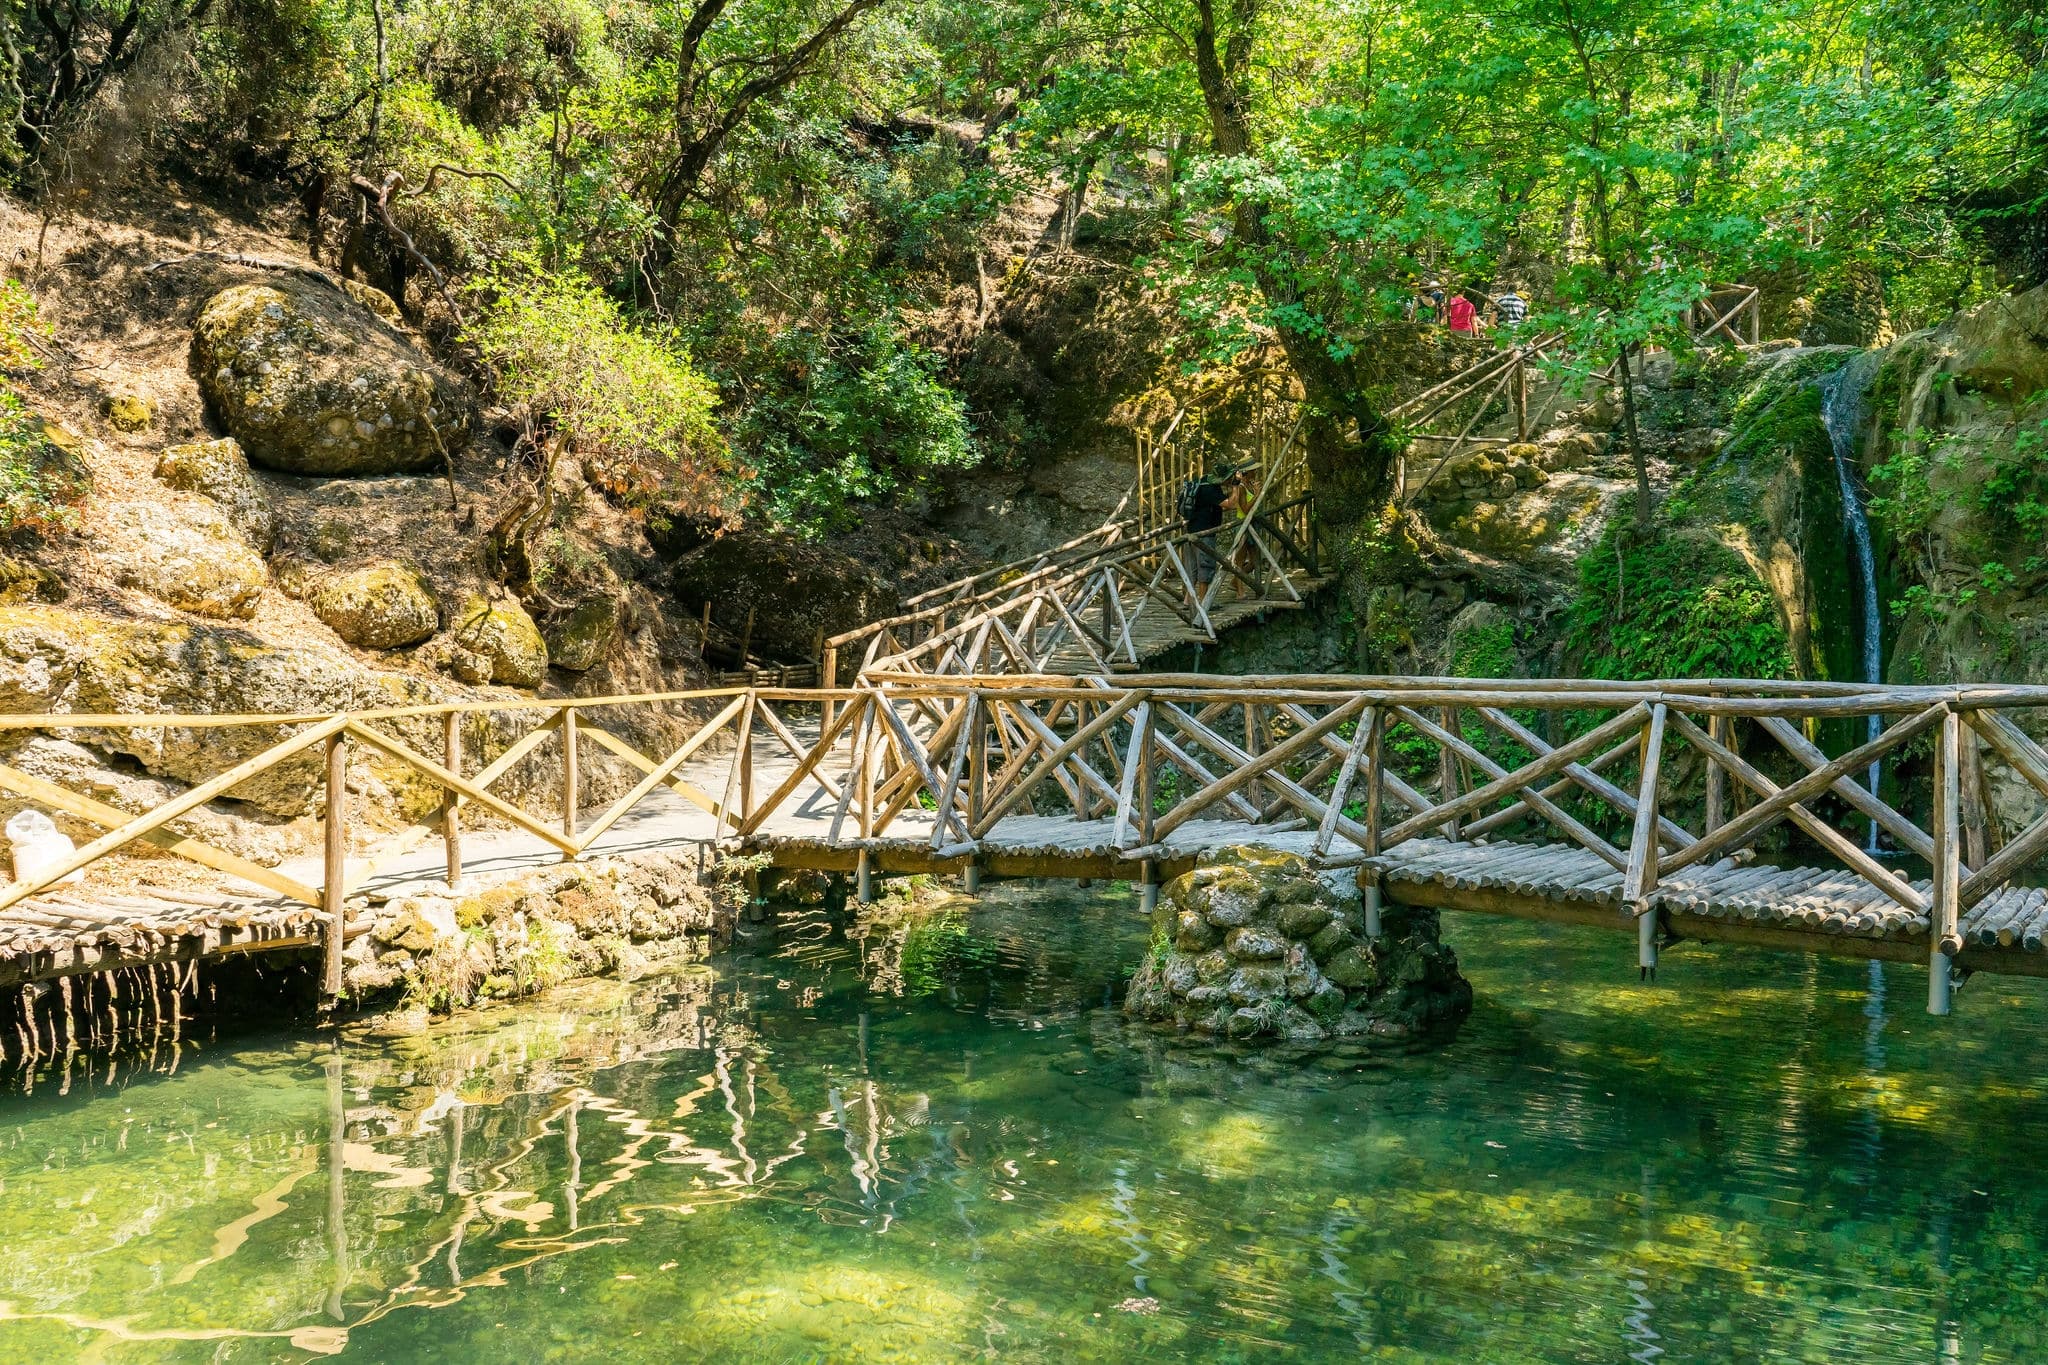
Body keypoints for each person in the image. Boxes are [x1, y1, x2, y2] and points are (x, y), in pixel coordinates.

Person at [1177, 464, 1233, 605]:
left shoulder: (1202, 481)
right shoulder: (1211, 489)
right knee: (1205, 566)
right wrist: (1236, 487)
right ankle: (1204, 602)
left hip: (1191, 529)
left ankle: (1188, 600)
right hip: (1205, 533)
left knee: (1193, 568)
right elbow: (1230, 504)